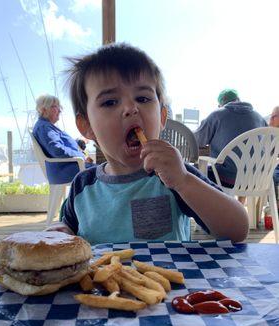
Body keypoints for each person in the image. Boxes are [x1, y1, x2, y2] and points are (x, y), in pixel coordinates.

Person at [47, 43, 248, 245]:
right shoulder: (83, 186)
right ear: (87, 126)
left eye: (142, 98)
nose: (131, 108)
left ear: (161, 117)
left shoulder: (174, 176)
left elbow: (237, 231)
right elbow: (68, 230)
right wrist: (63, 232)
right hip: (101, 277)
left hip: (168, 276)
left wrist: (184, 181)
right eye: (110, 102)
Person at [194, 89, 267, 186]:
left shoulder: (216, 115)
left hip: (226, 179)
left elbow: (196, 142)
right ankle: (237, 201)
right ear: (239, 100)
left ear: (221, 105)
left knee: (196, 170)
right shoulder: (259, 118)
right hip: (257, 179)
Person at [33, 94, 84, 184]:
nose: (60, 110)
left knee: (102, 169)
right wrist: (80, 155)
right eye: (55, 107)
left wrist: (77, 142)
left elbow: (59, 145)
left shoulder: (46, 126)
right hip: (64, 170)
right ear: (44, 109)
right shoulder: (44, 127)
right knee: (103, 171)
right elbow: (57, 150)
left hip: (66, 167)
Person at [269, 106, 279, 202]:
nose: (270, 119)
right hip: (274, 165)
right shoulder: (271, 134)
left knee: (272, 176)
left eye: (274, 116)